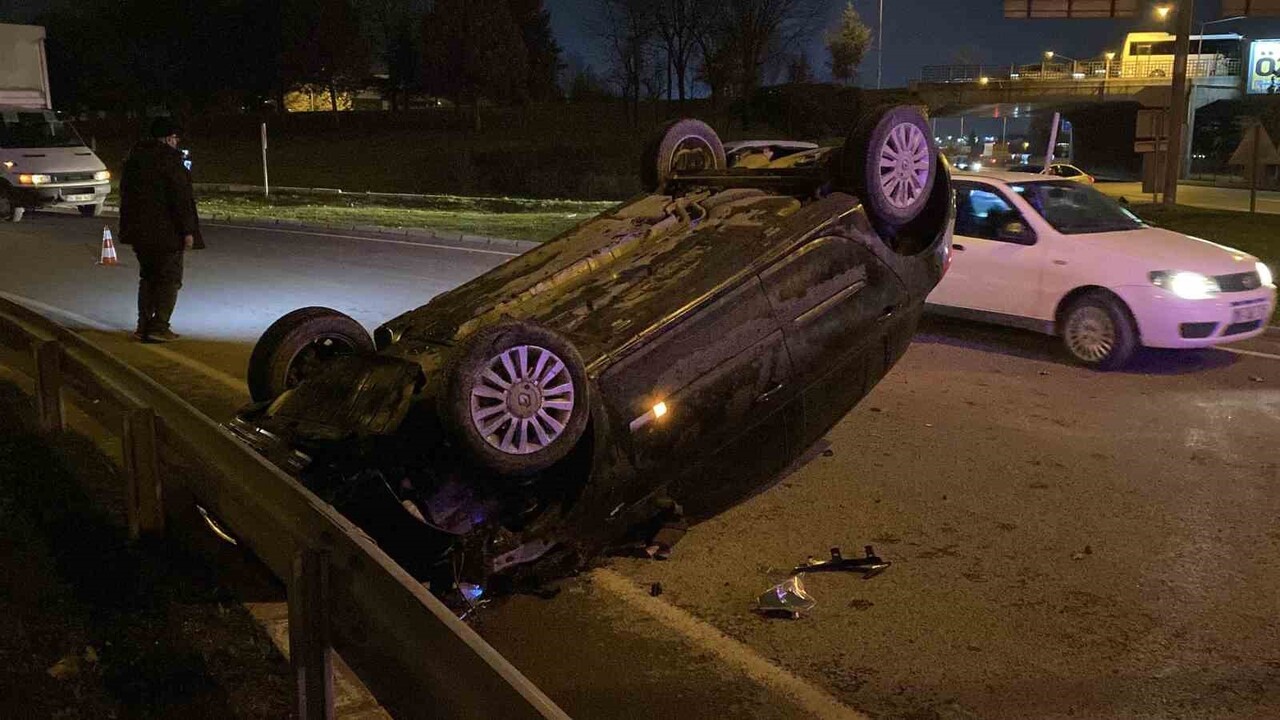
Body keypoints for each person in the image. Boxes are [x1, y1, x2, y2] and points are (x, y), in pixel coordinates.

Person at [118, 117, 204, 343]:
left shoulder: (133, 160)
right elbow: (180, 200)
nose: (177, 142)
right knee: (169, 280)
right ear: (168, 138)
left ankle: (143, 325)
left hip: (139, 232)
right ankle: (159, 326)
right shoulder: (170, 162)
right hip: (167, 233)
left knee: (148, 278)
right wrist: (188, 231)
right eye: (176, 138)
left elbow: (125, 197)